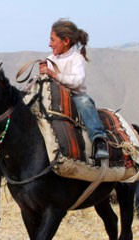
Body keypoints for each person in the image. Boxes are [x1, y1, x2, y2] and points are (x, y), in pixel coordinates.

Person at [39, 18, 109, 160]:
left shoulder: (77, 59)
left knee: (85, 103)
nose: (49, 44)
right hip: (54, 97)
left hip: (74, 97)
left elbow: (77, 82)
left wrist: (54, 74)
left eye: (53, 40)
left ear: (66, 41)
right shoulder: (50, 59)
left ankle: (99, 140)